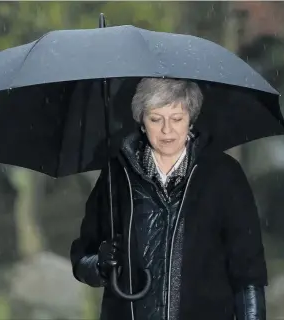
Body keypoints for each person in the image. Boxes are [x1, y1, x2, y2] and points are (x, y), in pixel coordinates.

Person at [70, 78, 267, 320]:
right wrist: (100, 262)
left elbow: (248, 273)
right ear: (142, 122)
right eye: (155, 119)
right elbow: (82, 257)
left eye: (177, 118)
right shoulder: (117, 175)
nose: (167, 130)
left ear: (190, 121)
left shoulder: (223, 174)